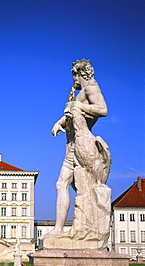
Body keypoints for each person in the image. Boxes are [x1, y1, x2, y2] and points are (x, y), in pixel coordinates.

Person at [49, 59, 108, 236]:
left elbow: (103, 110)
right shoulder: (82, 92)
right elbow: (72, 115)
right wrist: (59, 122)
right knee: (61, 184)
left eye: (74, 74)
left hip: (83, 146)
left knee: (84, 188)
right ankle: (59, 229)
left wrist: (78, 105)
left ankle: (88, 228)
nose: (73, 78)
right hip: (72, 146)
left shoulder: (91, 88)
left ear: (80, 74)